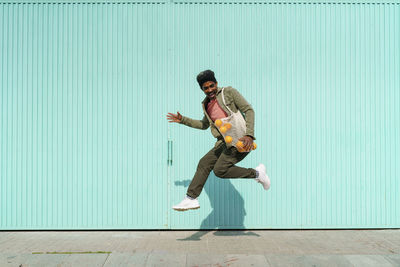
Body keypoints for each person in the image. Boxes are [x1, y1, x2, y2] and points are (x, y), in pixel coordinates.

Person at [166, 70, 270, 211]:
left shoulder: (228, 92)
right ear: (202, 89)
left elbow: (249, 110)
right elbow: (204, 125)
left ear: (216, 83)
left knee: (220, 170)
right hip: (224, 143)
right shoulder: (206, 104)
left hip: (240, 141)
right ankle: (191, 198)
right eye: (205, 88)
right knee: (204, 163)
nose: (210, 90)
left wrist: (249, 135)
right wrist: (183, 120)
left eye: (211, 86)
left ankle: (257, 174)